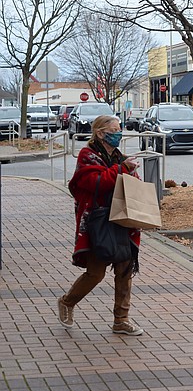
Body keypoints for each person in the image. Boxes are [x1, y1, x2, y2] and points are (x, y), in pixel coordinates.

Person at [57, 115, 144, 336]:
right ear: (100, 133)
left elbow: (131, 184)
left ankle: (121, 320)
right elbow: (97, 183)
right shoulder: (88, 156)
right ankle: (67, 302)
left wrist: (132, 172)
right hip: (98, 222)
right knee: (96, 273)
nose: (119, 133)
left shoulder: (118, 156)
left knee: (125, 269)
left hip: (122, 219)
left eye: (120, 128)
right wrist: (123, 169)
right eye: (114, 130)